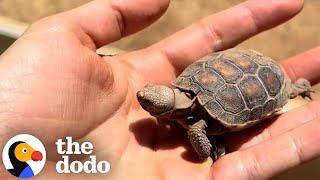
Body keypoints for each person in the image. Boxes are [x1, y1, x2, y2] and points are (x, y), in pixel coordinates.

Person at [0, 0, 319, 179]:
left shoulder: (196, 124)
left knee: (287, 91)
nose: (144, 100)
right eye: (150, 102)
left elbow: (202, 141)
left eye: (150, 103)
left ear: (167, 109)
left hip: (264, 81)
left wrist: (204, 147)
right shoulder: (182, 97)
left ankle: (291, 88)